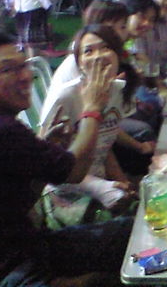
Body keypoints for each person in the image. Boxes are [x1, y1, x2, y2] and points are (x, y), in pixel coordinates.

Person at [0, 30, 133, 287]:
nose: (25, 76)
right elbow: (76, 171)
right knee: (108, 277)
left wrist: (42, 159)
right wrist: (92, 109)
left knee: (130, 233)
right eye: (8, 70)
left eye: (24, 66)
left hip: (20, 247)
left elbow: (21, 201)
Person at [39, 24, 139, 214]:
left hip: (102, 183)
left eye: (105, 47)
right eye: (88, 51)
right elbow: (44, 161)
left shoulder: (118, 91)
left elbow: (104, 145)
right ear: (79, 63)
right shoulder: (65, 97)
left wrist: (121, 181)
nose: (98, 56)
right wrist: (98, 187)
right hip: (65, 194)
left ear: (118, 55)